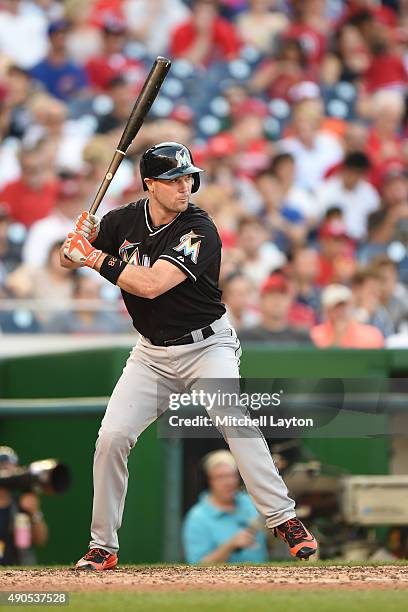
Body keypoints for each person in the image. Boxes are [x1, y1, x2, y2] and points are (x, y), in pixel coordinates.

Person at [61, 141, 317, 570]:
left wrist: (92, 256)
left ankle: (283, 518)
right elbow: (67, 261)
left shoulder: (199, 227)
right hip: (151, 354)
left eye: (187, 178)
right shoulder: (121, 220)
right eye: (173, 180)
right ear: (149, 185)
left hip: (207, 346)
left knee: (232, 417)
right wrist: (77, 241)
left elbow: (150, 284)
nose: (184, 186)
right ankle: (102, 545)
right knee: (111, 438)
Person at [182, 450, 268, 564]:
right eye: (221, 477)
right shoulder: (197, 517)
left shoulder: (252, 502)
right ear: (209, 481)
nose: (229, 482)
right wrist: (230, 546)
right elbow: (197, 566)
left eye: (232, 475)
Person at [0, 446, 48, 566]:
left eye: (9, 466)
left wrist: (34, 513)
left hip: (16, 571)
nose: (5, 470)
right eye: (1, 466)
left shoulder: (21, 503)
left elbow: (40, 540)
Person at [239, 272, 313, 344]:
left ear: (290, 301)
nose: (277, 301)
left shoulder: (302, 337)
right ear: (261, 301)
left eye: (282, 296)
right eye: (272, 296)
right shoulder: (246, 337)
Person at [310, 284, 384, 349]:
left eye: (344, 306)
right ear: (327, 311)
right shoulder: (315, 335)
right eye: (336, 307)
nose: (341, 312)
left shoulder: (372, 334)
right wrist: (337, 337)